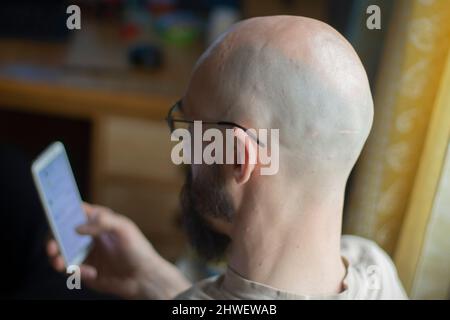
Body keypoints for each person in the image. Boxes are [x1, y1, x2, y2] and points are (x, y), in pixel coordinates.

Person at [47, 16, 407, 299]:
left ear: (238, 157)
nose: (183, 150)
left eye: (189, 126)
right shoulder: (373, 267)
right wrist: (156, 280)